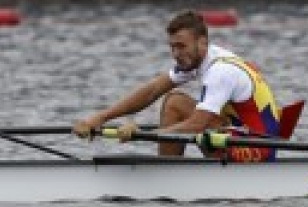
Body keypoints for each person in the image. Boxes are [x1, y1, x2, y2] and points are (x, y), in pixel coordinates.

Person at [73, 10, 287, 162]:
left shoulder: (220, 71)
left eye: (181, 46)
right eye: (172, 47)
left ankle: (167, 176)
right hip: (238, 136)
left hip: (257, 150)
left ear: (202, 42)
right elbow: (152, 90)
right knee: (174, 101)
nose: (176, 53)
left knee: (188, 112)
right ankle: (167, 171)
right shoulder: (198, 60)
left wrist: (144, 135)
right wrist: (100, 118)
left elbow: (197, 124)